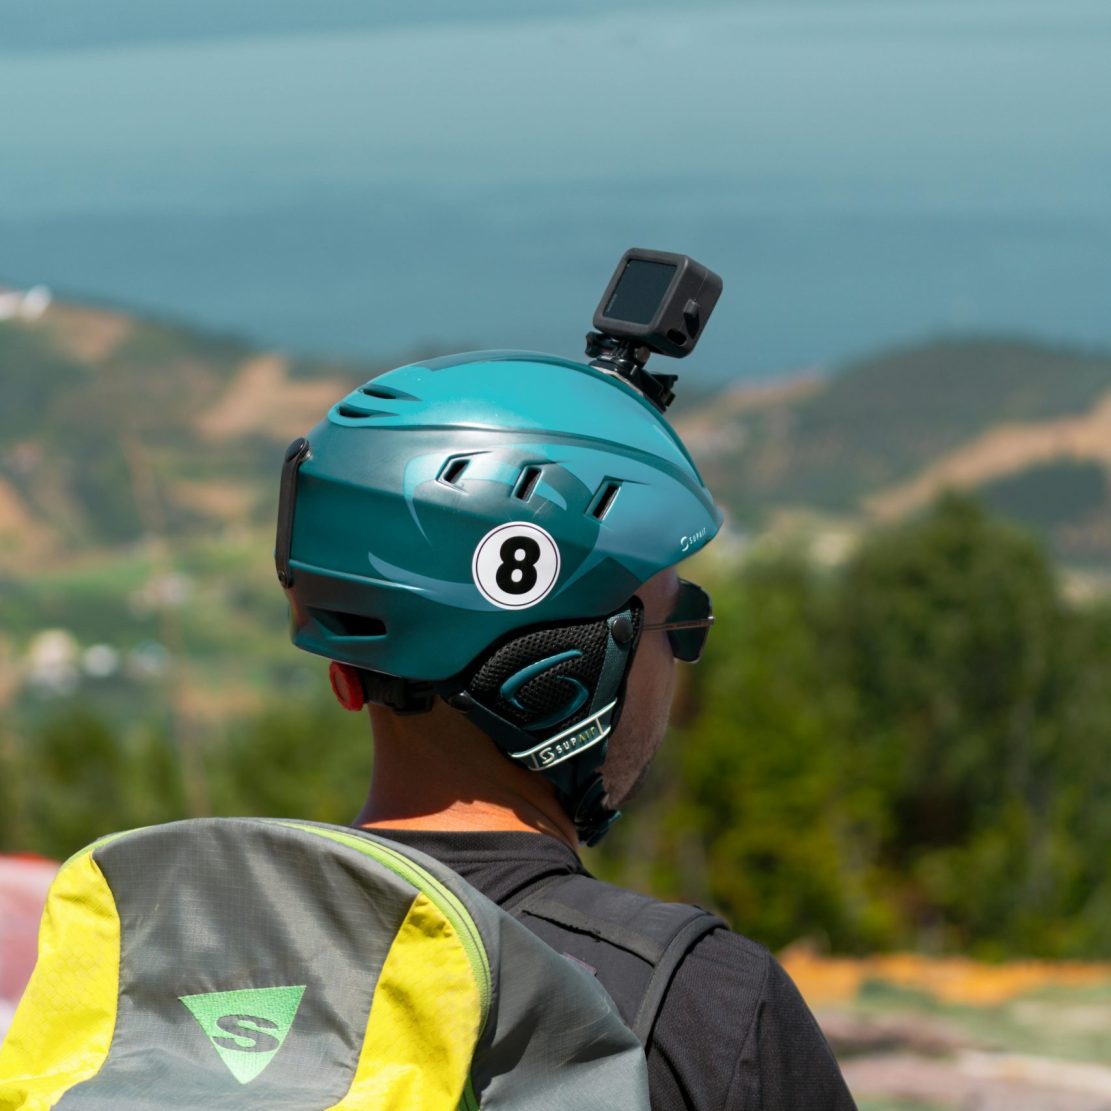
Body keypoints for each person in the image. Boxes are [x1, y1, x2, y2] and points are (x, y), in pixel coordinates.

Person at [276, 347, 858, 1110]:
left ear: (346, 676)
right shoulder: (695, 1006)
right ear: (559, 673)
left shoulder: (199, 955)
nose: (681, 655)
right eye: (677, 620)